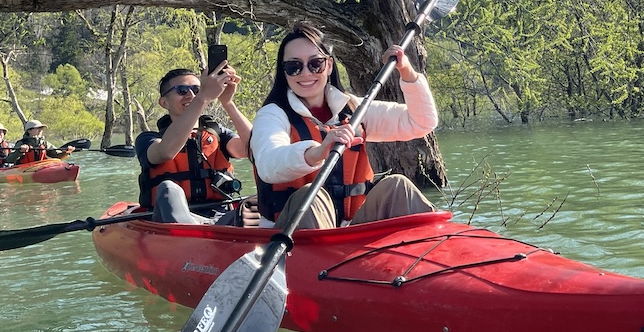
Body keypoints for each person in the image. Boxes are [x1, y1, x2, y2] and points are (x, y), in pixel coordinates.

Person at [250, 23, 438, 230]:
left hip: (350, 231)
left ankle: (434, 251)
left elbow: (422, 122)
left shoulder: (354, 109)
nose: (305, 73)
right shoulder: (272, 115)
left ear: (329, 65)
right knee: (311, 197)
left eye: (315, 64)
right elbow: (268, 166)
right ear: (284, 72)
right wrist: (318, 152)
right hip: (292, 234)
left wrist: (406, 70)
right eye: (294, 67)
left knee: (398, 186)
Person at [136, 59, 263, 226]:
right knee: (168, 188)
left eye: (197, 89)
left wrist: (227, 102)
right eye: (182, 90)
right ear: (164, 102)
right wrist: (203, 97)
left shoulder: (217, 133)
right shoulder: (147, 139)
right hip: (173, 221)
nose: (191, 95)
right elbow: (165, 151)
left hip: (220, 217)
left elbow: (252, 148)